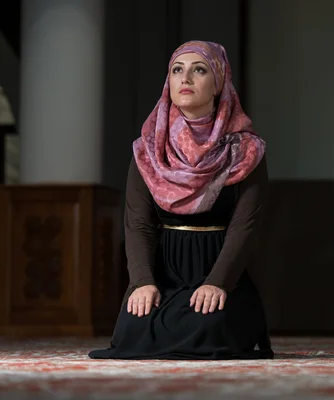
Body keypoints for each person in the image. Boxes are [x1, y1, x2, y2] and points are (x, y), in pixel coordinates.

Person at [89, 40, 273, 360]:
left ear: (218, 82)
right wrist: (143, 282)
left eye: (198, 70)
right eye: (177, 70)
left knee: (209, 327)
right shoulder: (148, 150)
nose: (185, 78)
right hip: (165, 271)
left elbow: (247, 224)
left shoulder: (246, 151)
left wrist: (218, 283)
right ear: (169, 83)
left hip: (219, 269)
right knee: (135, 329)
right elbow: (138, 223)